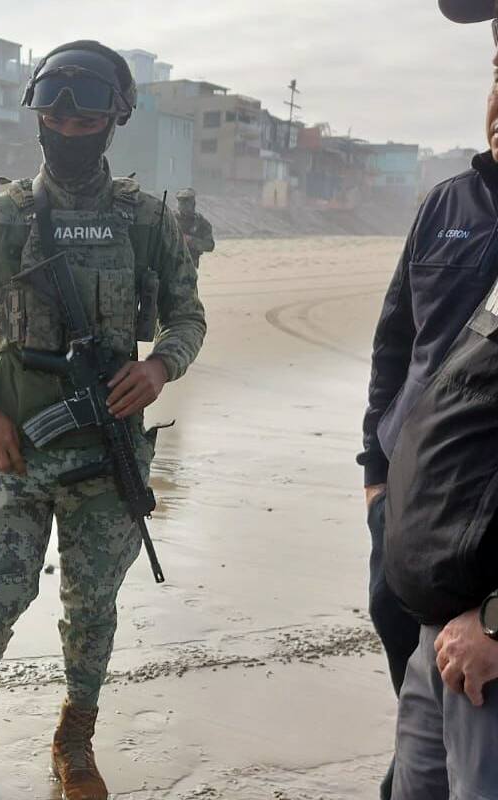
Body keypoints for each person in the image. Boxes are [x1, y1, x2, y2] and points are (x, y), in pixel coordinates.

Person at [0, 41, 206, 800]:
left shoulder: (147, 222)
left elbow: (187, 317)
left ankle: (75, 742)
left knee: (92, 608)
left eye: (84, 114)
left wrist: (158, 368)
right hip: (14, 451)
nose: (67, 125)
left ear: (114, 119)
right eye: (53, 111)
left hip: (106, 456)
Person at [359, 3, 498, 796]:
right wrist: (377, 476)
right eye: (496, 75)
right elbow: (393, 344)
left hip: (485, 582)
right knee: (418, 751)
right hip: (410, 527)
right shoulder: (448, 205)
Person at [175, 188, 215, 269]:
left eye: (186, 202)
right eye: (181, 202)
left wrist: (191, 240)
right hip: (171, 264)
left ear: (193, 204)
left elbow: (210, 245)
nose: (183, 205)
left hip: (190, 265)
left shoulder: (200, 223)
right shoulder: (170, 220)